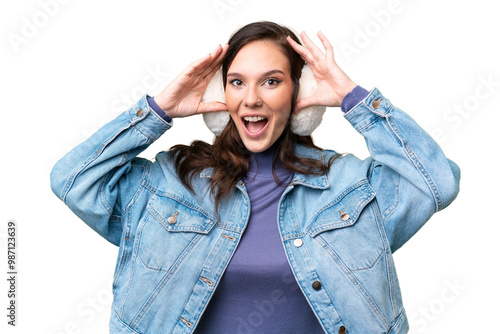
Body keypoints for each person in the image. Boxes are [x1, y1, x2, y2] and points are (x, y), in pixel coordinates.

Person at [50, 21, 460, 334]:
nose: (252, 99)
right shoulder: (172, 182)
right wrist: (158, 109)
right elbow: (73, 180)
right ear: (221, 96)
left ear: (299, 97)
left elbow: (435, 182)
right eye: (237, 82)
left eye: (271, 81)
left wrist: (353, 97)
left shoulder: (349, 185)